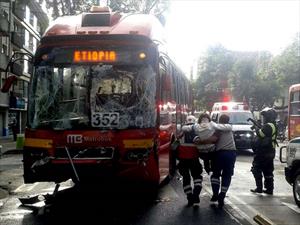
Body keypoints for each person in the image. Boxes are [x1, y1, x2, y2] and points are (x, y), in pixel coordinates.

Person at [208, 114, 237, 208]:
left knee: (215, 174)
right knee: (227, 175)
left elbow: (212, 140)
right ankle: (222, 195)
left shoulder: (220, 128)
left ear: (219, 120)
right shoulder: (228, 128)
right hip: (231, 154)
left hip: (220, 154)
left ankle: (215, 194)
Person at [250, 107, 277, 195]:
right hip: (270, 151)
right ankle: (269, 189)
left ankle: (259, 188)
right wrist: (257, 125)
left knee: (256, 168)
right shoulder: (273, 125)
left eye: (265, 116)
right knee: (268, 170)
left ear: (269, 117)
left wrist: (255, 128)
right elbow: (265, 132)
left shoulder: (268, 125)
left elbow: (261, 134)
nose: (264, 118)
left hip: (263, 151)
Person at [177, 115, 203, 206]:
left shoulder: (181, 132)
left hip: (183, 160)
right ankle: (196, 195)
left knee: (186, 179)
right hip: (194, 159)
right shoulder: (197, 131)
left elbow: (174, 146)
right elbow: (201, 146)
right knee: (197, 178)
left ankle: (190, 197)